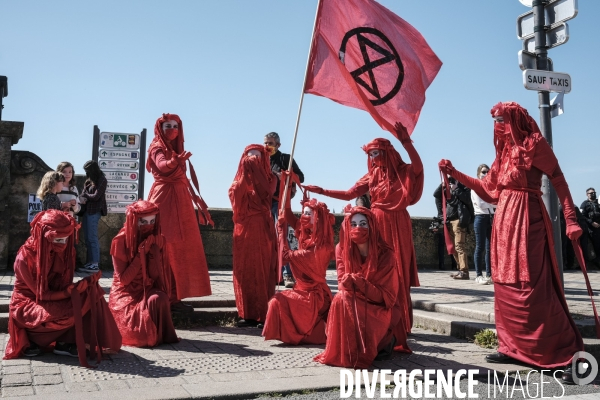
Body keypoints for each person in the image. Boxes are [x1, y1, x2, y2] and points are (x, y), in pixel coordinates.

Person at [439, 101, 585, 382]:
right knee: (505, 286)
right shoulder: (503, 154)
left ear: (515, 119)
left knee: (533, 287)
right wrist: (455, 173)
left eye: (501, 120)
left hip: (528, 218)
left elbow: (558, 179)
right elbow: (489, 190)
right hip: (504, 223)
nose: (497, 126)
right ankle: (513, 346)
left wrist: (571, 218)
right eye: (494, 121)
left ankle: (564, 354)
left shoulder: (534, 144)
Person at [304, 122, 422, 335]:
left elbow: (418, 167)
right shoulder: (373, 174)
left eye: (377, 153)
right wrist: (322, 190)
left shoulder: (403, 170)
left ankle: (402, 322)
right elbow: (350, 194)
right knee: (376, 269)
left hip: (398, 223)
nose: (374, 158)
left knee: (399, 271)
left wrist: (406, 143)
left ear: (387, 152)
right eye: (371, 154)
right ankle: (381, 321)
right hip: (376, 222)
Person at [4, 210, 121, 363]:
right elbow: (42, 295)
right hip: (29, 303)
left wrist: (82, 286)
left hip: (54, 298)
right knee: (73, 306)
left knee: (92, 292)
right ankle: (35, 338)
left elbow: (64, 285)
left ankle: (66, 341)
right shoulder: (25, 257)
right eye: (58, 241)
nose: (63, 245)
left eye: (66, 240)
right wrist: (68, 292)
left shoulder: (67, 251)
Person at [314, 206, 410, 368]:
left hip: (379, 307)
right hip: (352, 300)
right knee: (340, 299)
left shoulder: (386, 254)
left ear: (372, 226)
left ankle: (383, 340)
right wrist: (350, 283)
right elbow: (342, 284)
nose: (358, 228)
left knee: (345, 299)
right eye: (353, 224)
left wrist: (361, 283)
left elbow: (387, 297)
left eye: (363, 223)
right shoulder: (341, 249)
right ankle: (345, 352)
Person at [146, 114, 213, 313]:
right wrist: (175, 161)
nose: (172, 129)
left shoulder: (175, 149)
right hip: (164, 199)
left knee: (181, 249)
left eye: (176, 126)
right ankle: (165, 295)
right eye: (168, 126)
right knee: (166, 247)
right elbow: (161, 165)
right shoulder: (157, 146)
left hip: (180, 199)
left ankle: (175, 295)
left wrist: (176, 158)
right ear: (160, 127)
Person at [262, 196, 334, 344]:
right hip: (303, 291)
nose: (304, 216)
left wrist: (281, 230)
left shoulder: (318, 249)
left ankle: (301, 334)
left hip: (314, 298)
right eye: (304, 213)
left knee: (277, 301)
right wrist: (287, 186)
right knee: (278, 300)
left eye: (308, 214)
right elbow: (288, 213)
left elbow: (285, 256)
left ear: (318, 219)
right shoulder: (306, 234)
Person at [109, 200, 179, 347]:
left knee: (159, 298)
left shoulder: (156, 238)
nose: (148, 226)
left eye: (152, 221)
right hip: (125, 293)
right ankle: (149, 334)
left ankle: (159, 335)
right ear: (134, 220)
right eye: (143, 222)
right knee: (137, 336)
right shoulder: (120, 241)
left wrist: (154, 253)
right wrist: (140, 255)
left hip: (146, 287)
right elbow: (124, 280)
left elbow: (155, 276)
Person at [229, 144, 278, 327]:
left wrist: (254, 171)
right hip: (243, 230)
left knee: (263, 269)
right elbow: (236, 195)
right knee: (244, 271)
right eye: (249, 157)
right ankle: (246, 313)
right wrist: (245, 174)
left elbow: (266, 192)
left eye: (257, 157)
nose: (252, 160)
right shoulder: (237, 181)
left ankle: (264, 313)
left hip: (262, 229)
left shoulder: (271, 178)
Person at [264, 132, 305, 288]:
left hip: (279, 203)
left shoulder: (285, 159)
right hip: (263, 204)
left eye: (271, 143)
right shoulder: (261, 159)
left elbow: (301, 178)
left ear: (278, 145)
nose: (267, 146)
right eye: (266, 143)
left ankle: (288, 274)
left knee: (282, 237)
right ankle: (273, 273)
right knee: (267, 238)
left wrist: (285, 175)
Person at [433, 177, 472, 279]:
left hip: (459, 220)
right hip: (449, 220)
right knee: (453, 247)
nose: (451, 181)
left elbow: (468, 199)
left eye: (452, 178)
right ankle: (460, 270)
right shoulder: (447, 188)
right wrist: (442, 185)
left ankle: (464, 271)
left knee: (459, 245)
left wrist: (456, 188)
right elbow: (436, 195)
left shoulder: (464, 187)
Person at [78, 160, 107, 273]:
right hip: (87, 211)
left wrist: (85, 196)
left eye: (88, 170)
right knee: (87, 238)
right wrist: (83, 196)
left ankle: (95, 264)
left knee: (92, 237)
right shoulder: (89, 181)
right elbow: (83, 194)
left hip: (95, 211)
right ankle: (90, 263)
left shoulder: (102, 180)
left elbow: (96, 196)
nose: (86, 173)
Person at [472, 164, 495, 284]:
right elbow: (481, 204)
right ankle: (478, 275)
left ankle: (489, 274)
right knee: (480, 247)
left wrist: (491, 203)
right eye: (483, 172)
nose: (486, 174)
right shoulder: (476, 187)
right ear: (478, 174)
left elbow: (495, 202)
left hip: (490, 217)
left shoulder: (490, 187)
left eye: (488, 172)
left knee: (490, 248)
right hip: (480, 217)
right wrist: (492, 203)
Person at [580, 188, 600, 266]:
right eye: (590, 193)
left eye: (594, 192)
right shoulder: (585, 204)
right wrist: (591, 222)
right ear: (587, 194)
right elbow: (582, 215)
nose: (593, 194)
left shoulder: (598, 202)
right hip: (590, 228)